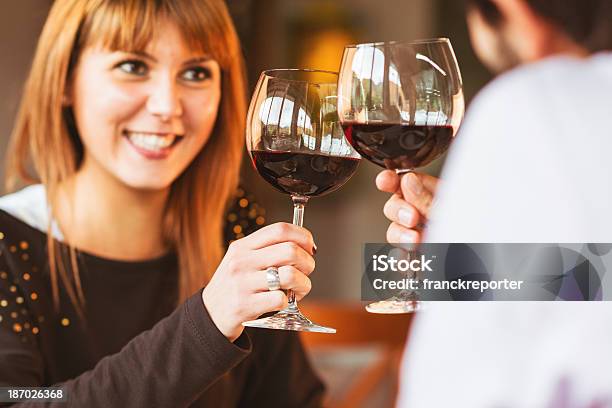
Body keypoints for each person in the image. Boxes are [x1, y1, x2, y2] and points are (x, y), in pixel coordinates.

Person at [0, 0, 324, 406]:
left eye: (195, 73)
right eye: (133, 67)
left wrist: (427, 255)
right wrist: (207, 324)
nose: (167, 106)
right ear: (64, 80)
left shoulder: (232, 226)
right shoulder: (6, 245)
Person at [376, 0, 612, 406]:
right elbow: (598, 280)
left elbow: (450, 394)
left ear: (511, 10)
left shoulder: (533, 105)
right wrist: (476, 246)